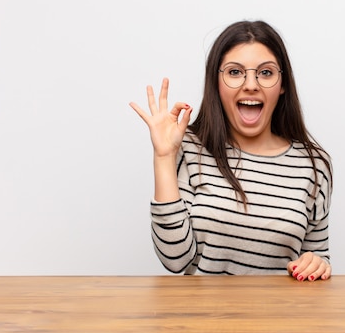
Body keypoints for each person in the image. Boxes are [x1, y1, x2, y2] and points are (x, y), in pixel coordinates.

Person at [130, 20, 333, 281]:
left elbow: (317, 257)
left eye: (266, 73)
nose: (251, 84)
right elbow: (175, 258)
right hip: (202, 319)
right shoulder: (190, 150)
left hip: (281, 319)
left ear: (283, 85)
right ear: (216, 82)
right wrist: (164, 156)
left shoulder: (314, 165)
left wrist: (317, 264)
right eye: (235, 72)